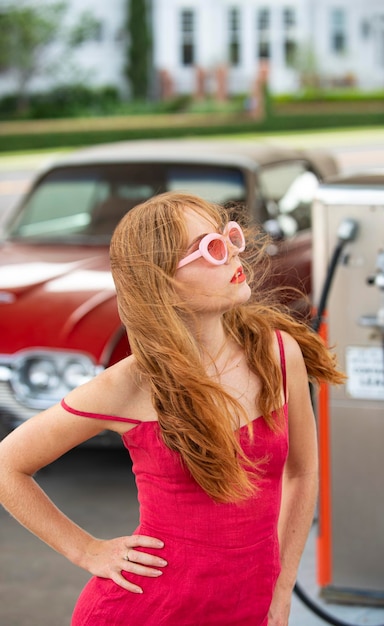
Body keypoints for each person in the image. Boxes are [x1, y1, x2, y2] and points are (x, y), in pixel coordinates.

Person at [0, 191, 345, 626]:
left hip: (250, 604)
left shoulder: (278, 353)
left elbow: (302, 472)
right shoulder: (131, 383)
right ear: (163, 281)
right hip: (146, 609)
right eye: (211, 248)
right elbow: (7, 465)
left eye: (229, 236)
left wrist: (282, 588)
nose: (233, 252)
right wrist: (87, 551)